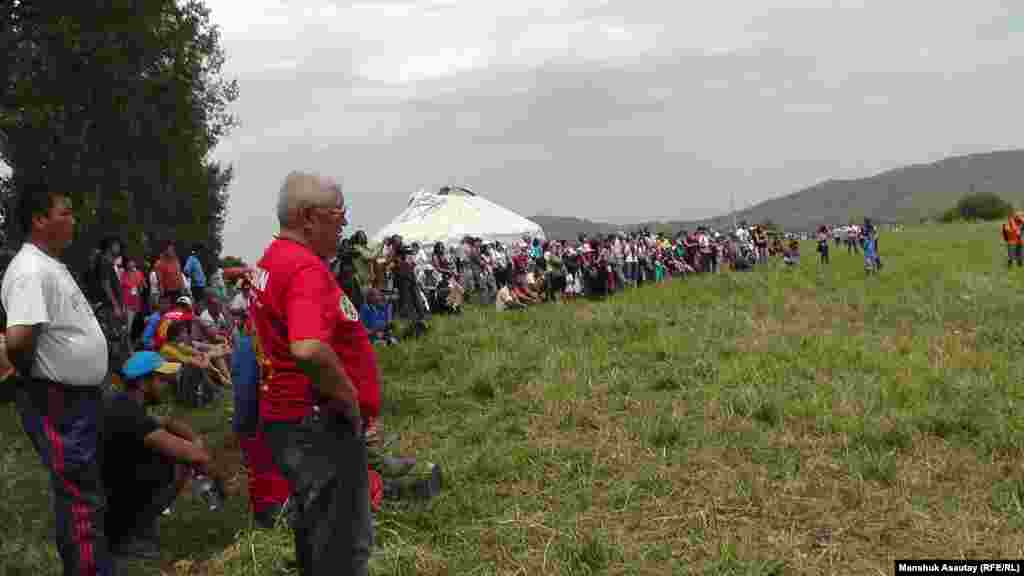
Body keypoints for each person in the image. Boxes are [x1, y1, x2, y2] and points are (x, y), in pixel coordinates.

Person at [251, 171, 374, 575]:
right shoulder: (304, 269)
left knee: (315, 532)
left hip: (290, 420)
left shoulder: (272, 260)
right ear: (308, 217)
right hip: (318, 423)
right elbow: (307, 347)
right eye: (338, 214)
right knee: (340, 545)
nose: (344, 224)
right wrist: (350, 397)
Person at [2, 179, 116, 575]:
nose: (73, 220)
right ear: (39, 220)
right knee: (79, 497)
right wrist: (34, 371)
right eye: (64, 212)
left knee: (86, 492)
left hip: (77, 397)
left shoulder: (50, 265)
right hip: (57, 399)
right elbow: (18, 338)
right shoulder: (30, 270)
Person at [102, 351, 225, 559]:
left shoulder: (123, 402)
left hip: (109, 486)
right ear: (143, 383)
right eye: (161, 379)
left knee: (172, 458)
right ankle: (129, 536)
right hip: (114, 499)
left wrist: (194, 438)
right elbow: (197, 457)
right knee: (179, 463)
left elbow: (166, 421)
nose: (168, 384)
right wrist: (221, 482)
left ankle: (134, 526)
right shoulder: (132, 417)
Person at [120, 258, 146, 344]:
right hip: (128, 304)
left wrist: (140, 288)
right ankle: (125, 344)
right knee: (128, 327)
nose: (131, 264)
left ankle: (130, 344)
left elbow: (143, 286)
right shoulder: (123, 274)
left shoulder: (139, 273)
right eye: (129, 262)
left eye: (132, 262)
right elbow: (121, 288)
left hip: (137, 304)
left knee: (135, 327)